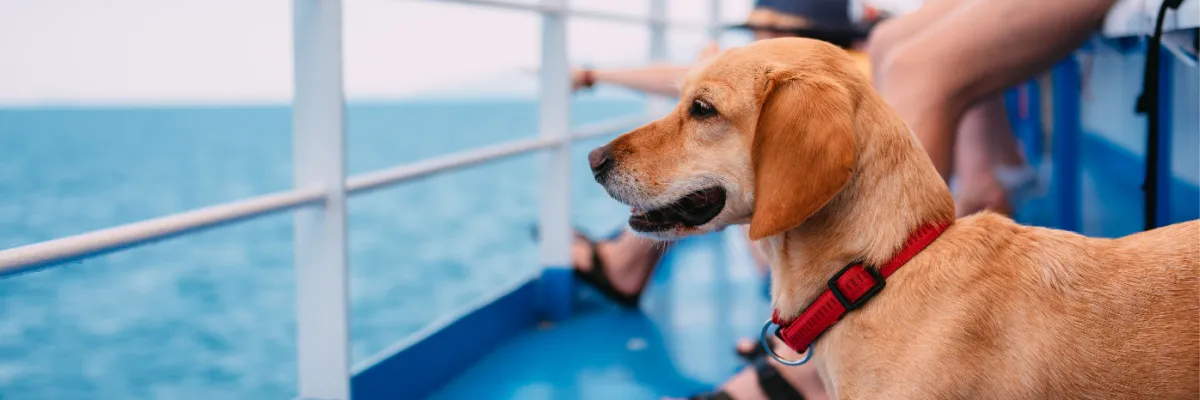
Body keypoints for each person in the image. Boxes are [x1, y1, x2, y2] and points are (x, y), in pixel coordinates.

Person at [567, 0, 1119, 396]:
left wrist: (596, 75)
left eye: (764, 30)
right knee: (894, 48)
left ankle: (812, 357)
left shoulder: (816, 86)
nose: (756, 41)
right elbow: (692, 83)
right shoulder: (858, 52)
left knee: (915, 64)